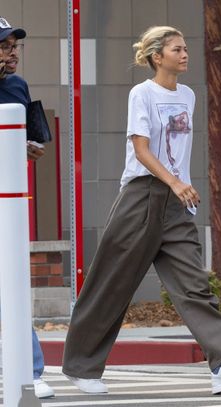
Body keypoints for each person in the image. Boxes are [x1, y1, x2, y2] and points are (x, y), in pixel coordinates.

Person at [62, 25, 221, 396]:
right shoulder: (143, 93)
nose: (185, 54)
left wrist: (179, 186)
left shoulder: (187, 95)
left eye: (186, 48)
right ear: (158, 56)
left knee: (194, 284)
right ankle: (80, 367)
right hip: (141, 195)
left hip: (176, 201)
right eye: (177, 49)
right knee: (112, 282)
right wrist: (174, 182)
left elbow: (176, 151)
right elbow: (141, 149)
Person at [0, 16, 54, 399]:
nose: (11, 52)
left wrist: (31, 150)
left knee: (14, 283)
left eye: (14, 46)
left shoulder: (17, 86)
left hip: (10, 204)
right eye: (4, 46)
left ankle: (31, 372)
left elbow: (31, 140)